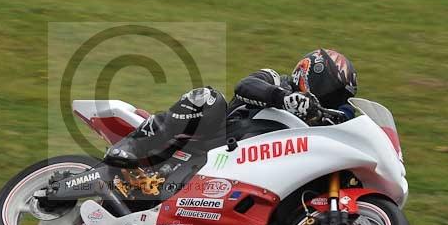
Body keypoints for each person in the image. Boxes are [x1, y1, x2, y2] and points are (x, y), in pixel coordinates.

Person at [104, 49, 358, 168]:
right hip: (215, 140)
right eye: (331, 92)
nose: (330, 101)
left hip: (252, 167)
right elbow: (245, 86)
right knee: (209, 97)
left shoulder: (317, 124)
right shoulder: (275, 79)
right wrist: (282, 99)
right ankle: (132, 145)